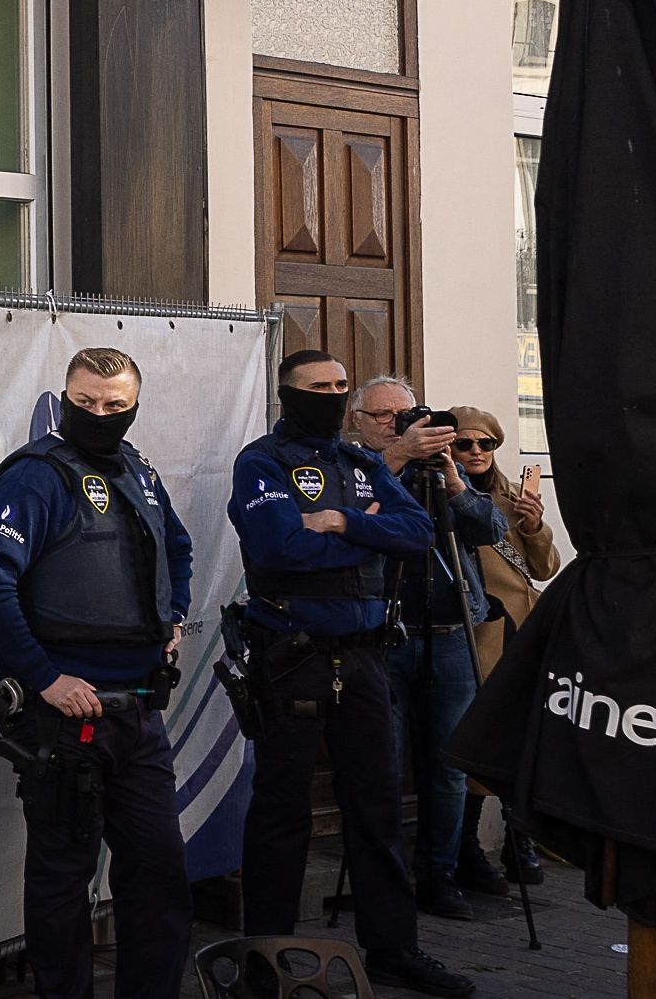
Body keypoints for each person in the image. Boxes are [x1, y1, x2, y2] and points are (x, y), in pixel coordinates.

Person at [229, 351, 474, 999]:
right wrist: (369, 531)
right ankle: (266, 959)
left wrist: (340, 520)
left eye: (340, 386)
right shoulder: (262, 462)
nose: (331, 395)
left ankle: (392, 948)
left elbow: (417, 530)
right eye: (319, 388)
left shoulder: (361, 462)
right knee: (281, 814)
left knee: (378, 810)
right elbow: (278, 546)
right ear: (287, 393)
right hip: (292, 656)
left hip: (364, 657)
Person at [0, 347, 195, 999]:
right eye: (85, 403)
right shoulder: (35, 478)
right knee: (62, 881)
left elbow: (174, 547)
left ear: (133, 407)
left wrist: (171, 614)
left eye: (113, 406)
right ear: (65, 400)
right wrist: (45, 678)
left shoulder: (137, 472)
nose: (98, 414)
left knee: (157, 872)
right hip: (65, 720)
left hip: (138, 714)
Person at [344, 376, 505, 921]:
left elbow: (490, 528)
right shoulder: (351, 466)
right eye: (384, 416)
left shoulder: (438, 471)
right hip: (383, 638)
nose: (398, 424)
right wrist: (395, 458)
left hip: (451, 636)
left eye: (407, 415)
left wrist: (453, 474)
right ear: (357, 421)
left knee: (448, 767)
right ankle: (384, 878)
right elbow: (348, 516)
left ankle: (439, 873)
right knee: (382, 765)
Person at [451, 404, 559, 889]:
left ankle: (519, 839)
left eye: (485, 444)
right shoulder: (440, 492)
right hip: (474, 632)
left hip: (521, 627)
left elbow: (545, 568)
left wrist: (534, 526)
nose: (475, 453)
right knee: (477, 732)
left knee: (524, 732)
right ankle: (466, 843)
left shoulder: (515, 496)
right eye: (464, 444)